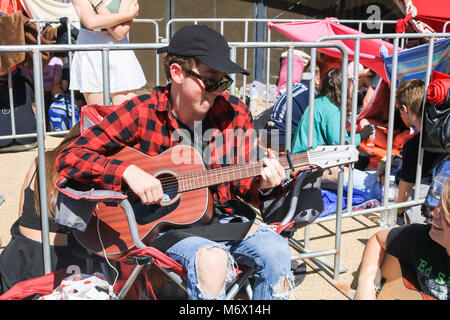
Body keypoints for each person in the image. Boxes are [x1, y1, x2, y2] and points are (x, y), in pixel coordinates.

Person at [56, 24, 294, 300]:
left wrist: (264, 185)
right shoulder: (141, 112)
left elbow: (243, 187)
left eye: (224, 82)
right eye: (211, 80)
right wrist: (127, 171)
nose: (218, 91)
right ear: (177, 73)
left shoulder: (232, 111)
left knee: (276, 248)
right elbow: (69, 157)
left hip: (224, 220)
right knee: (212, 259)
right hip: (162, 229)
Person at [0, 123, 87, 294]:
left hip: (18, 254)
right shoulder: (90, 170)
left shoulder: (40, 160)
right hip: (61, 262)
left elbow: (21, 214)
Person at [354, 177, 450, 300]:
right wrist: (365, 286)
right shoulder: (424, 238)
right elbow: (377, 240)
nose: (434, 213)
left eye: (446, 210)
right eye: (438, 203)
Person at [70, 0, 146, 105]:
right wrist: (128, 15)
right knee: (98, 115)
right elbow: (90, 22)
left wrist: (98, 5)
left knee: (125, 113)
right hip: (90, 55)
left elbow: (120, 33)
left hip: (119, 54)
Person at [394, 79, 447, 224]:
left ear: (405, 109)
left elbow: (406, 186)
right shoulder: (443, 133)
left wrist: (398, 212)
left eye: (399, 110)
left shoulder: (414, 145)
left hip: (430, 194)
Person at [291, 68, 373, 154]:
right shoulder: (332, 110)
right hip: (309, 159)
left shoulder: (319, 101)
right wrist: (361, 136)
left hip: (303, 154)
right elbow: (341, 146)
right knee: (363, 157)